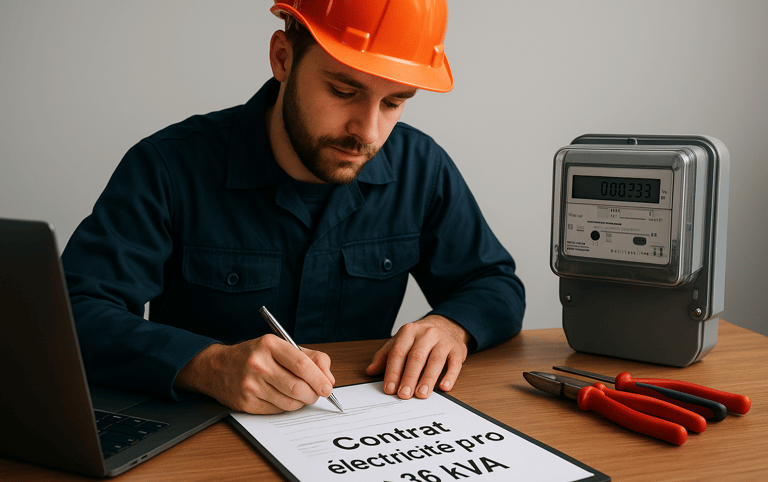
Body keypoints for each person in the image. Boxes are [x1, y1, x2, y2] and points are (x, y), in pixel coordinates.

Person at [62, 0, 525, 415]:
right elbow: (73, 315)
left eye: (394, 102)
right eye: (343, 92)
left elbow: (494, 284)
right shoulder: (167, 166)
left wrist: (452, 325)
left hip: (352, 448)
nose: (367, 132)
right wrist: (206, 365)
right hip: (200, 452)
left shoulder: (420, 167)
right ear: (283, 58)